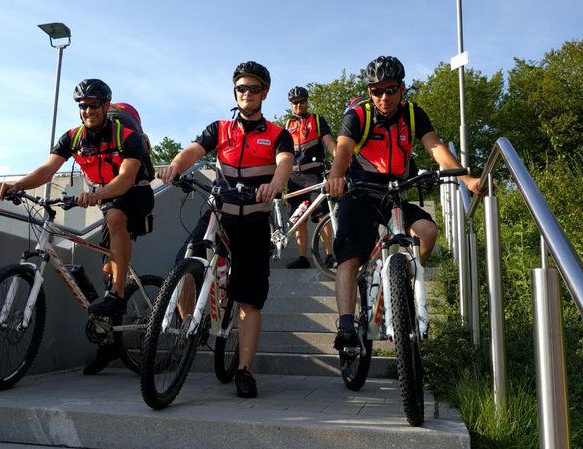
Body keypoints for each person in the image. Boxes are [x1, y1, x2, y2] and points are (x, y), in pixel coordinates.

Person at [0, 78, 155, 374]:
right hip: (108, 199)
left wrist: (96, 194)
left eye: (94, 105)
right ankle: (108, 343)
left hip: (136, 192)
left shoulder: (127, 135)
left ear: (106, 105)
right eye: (82, 106)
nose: (88, 111)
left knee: (115, 218)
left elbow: (127, 178)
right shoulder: (73, 137)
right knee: (107, 269)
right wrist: (16, 185)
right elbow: (47, 169)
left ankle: (118, 296)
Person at [324, 56, 482, 351]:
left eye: (391, 90)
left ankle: (399, 287)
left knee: (427, 231)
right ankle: (345, 324)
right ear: (370, 91)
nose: (384, 97)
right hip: (361, 192)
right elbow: (343, 148)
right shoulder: (358, 116)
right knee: (349, 256)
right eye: (377, 91)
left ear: (402, 88)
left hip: (397, 191)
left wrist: (467, 179)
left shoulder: (413, 114)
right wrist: (336, 176)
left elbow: (434, 146)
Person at [159, 61, 294, 398]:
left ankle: (245, 371)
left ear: (264, 92)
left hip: (253, 221)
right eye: (241, 89)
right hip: (219, 214)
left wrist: (275, 185)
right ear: (235, 92)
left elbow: (285, 165)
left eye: (253, 88)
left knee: (249, 299)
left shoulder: (278, 134)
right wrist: (176, 164)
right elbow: (194, 150)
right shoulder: (220, 128)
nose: (246, 94)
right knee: (185, 265)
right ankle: (191, 326)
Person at [282, 86, 337, 269]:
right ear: (291, 104)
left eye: (302, 101)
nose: (299, 105)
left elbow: (330, 143)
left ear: (307, 102)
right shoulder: (287, 124)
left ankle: (330, 255)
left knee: (322, 214)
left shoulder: (317, 120)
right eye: (295, 102)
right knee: (298, 218)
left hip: (314, 174)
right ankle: (303, 258)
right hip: (293, 177)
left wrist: (341, 160)